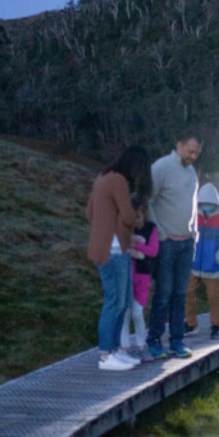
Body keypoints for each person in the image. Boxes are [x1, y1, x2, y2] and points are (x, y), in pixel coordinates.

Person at [85, 144, 151, 371]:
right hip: (113, 251)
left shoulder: (102, 177)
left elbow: (89, 213)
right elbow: (127, 215)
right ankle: (106, 355)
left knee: (118, 304)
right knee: (115, 303)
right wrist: (132, 220)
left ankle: (113, 351)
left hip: (104, 249)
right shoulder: (120, 181)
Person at [145, 130, 201, 361]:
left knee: (180, 294)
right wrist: (160, 232)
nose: (193, 156)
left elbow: (193, 204)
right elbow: (148, 200)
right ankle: (154, 340)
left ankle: (177, 341)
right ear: (179, 145)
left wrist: (194, 231)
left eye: (197, 153)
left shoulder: (191, 173)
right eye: (190, 151)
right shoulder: (160, 168)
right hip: (167, 243)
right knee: (164, 293)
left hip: (186, 242)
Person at [184, 181, 219, 341]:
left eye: (209, 203)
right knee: (187, 293)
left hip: (212, 266)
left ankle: (215, 326)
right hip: (193, 264)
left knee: (214, 297)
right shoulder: (194, 216)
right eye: (202, 203)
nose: (205, 206)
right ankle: (191, 323)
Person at [122, 194, 159, 351]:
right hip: (126, 275)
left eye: (138, 215)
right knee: (125, 312)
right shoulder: (124, 228)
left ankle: (141, 342)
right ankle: (124, 344)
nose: (136, 220)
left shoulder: (151, 228)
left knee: (137, 312)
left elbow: (153, 250)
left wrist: (137, 246)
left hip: (143, 276)